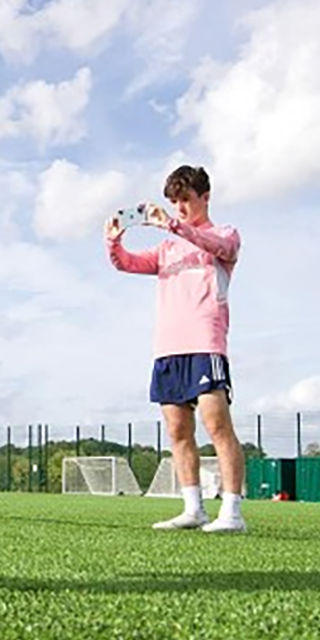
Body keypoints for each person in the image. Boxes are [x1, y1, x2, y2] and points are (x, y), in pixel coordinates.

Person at [105, 165, 247, 534]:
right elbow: (126, 263)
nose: (180, 208)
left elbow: (222, 248)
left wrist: (173, 225)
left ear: (205, 197)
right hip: (168, 348)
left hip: (206, 343)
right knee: (178, 430)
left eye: (185, 199)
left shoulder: (224, 235)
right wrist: (114, 241)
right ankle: (193, 509)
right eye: (174, 202)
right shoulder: (167, 249)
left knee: (217, 425)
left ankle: (232, 513)